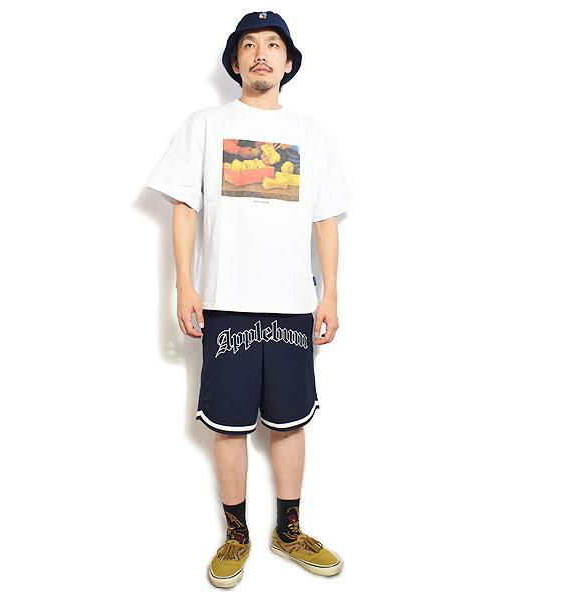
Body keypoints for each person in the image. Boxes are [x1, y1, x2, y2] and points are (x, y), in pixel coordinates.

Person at [145, 11, 351, 588]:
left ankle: (289, 531)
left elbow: (325, 220)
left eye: (273, 45)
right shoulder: (205, 125)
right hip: (225, 301)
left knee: (289, 422)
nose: (262, 53)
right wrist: (185, 284)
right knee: (229, 425)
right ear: (235, 61)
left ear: (288, 62)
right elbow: (184, 206)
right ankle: (236, 537)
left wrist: (331, 294)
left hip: (293, 303)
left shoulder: (312, 135)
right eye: (250, 45)